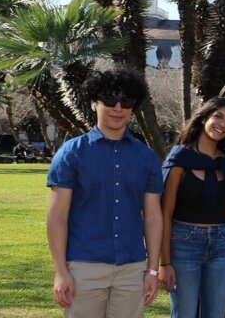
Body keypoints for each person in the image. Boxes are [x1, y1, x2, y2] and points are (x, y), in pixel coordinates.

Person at [46, 69, 164, 317]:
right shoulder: (71, 153)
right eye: (109, 101)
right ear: (93, 103)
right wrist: (60, 271)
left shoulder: (146, 157)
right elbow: (57, 216)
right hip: (84, 266)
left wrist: (152, 270)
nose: (117, 108)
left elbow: (153, 216)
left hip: (133, 269)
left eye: (126, 102)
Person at [159, 98, 225, 318]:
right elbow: (164, 214)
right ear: (204, 117)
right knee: (185, 313)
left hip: (222, 244)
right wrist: (164, 262)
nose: (223, 124)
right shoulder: (180, 160)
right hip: (184, 244)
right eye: (218, 116)